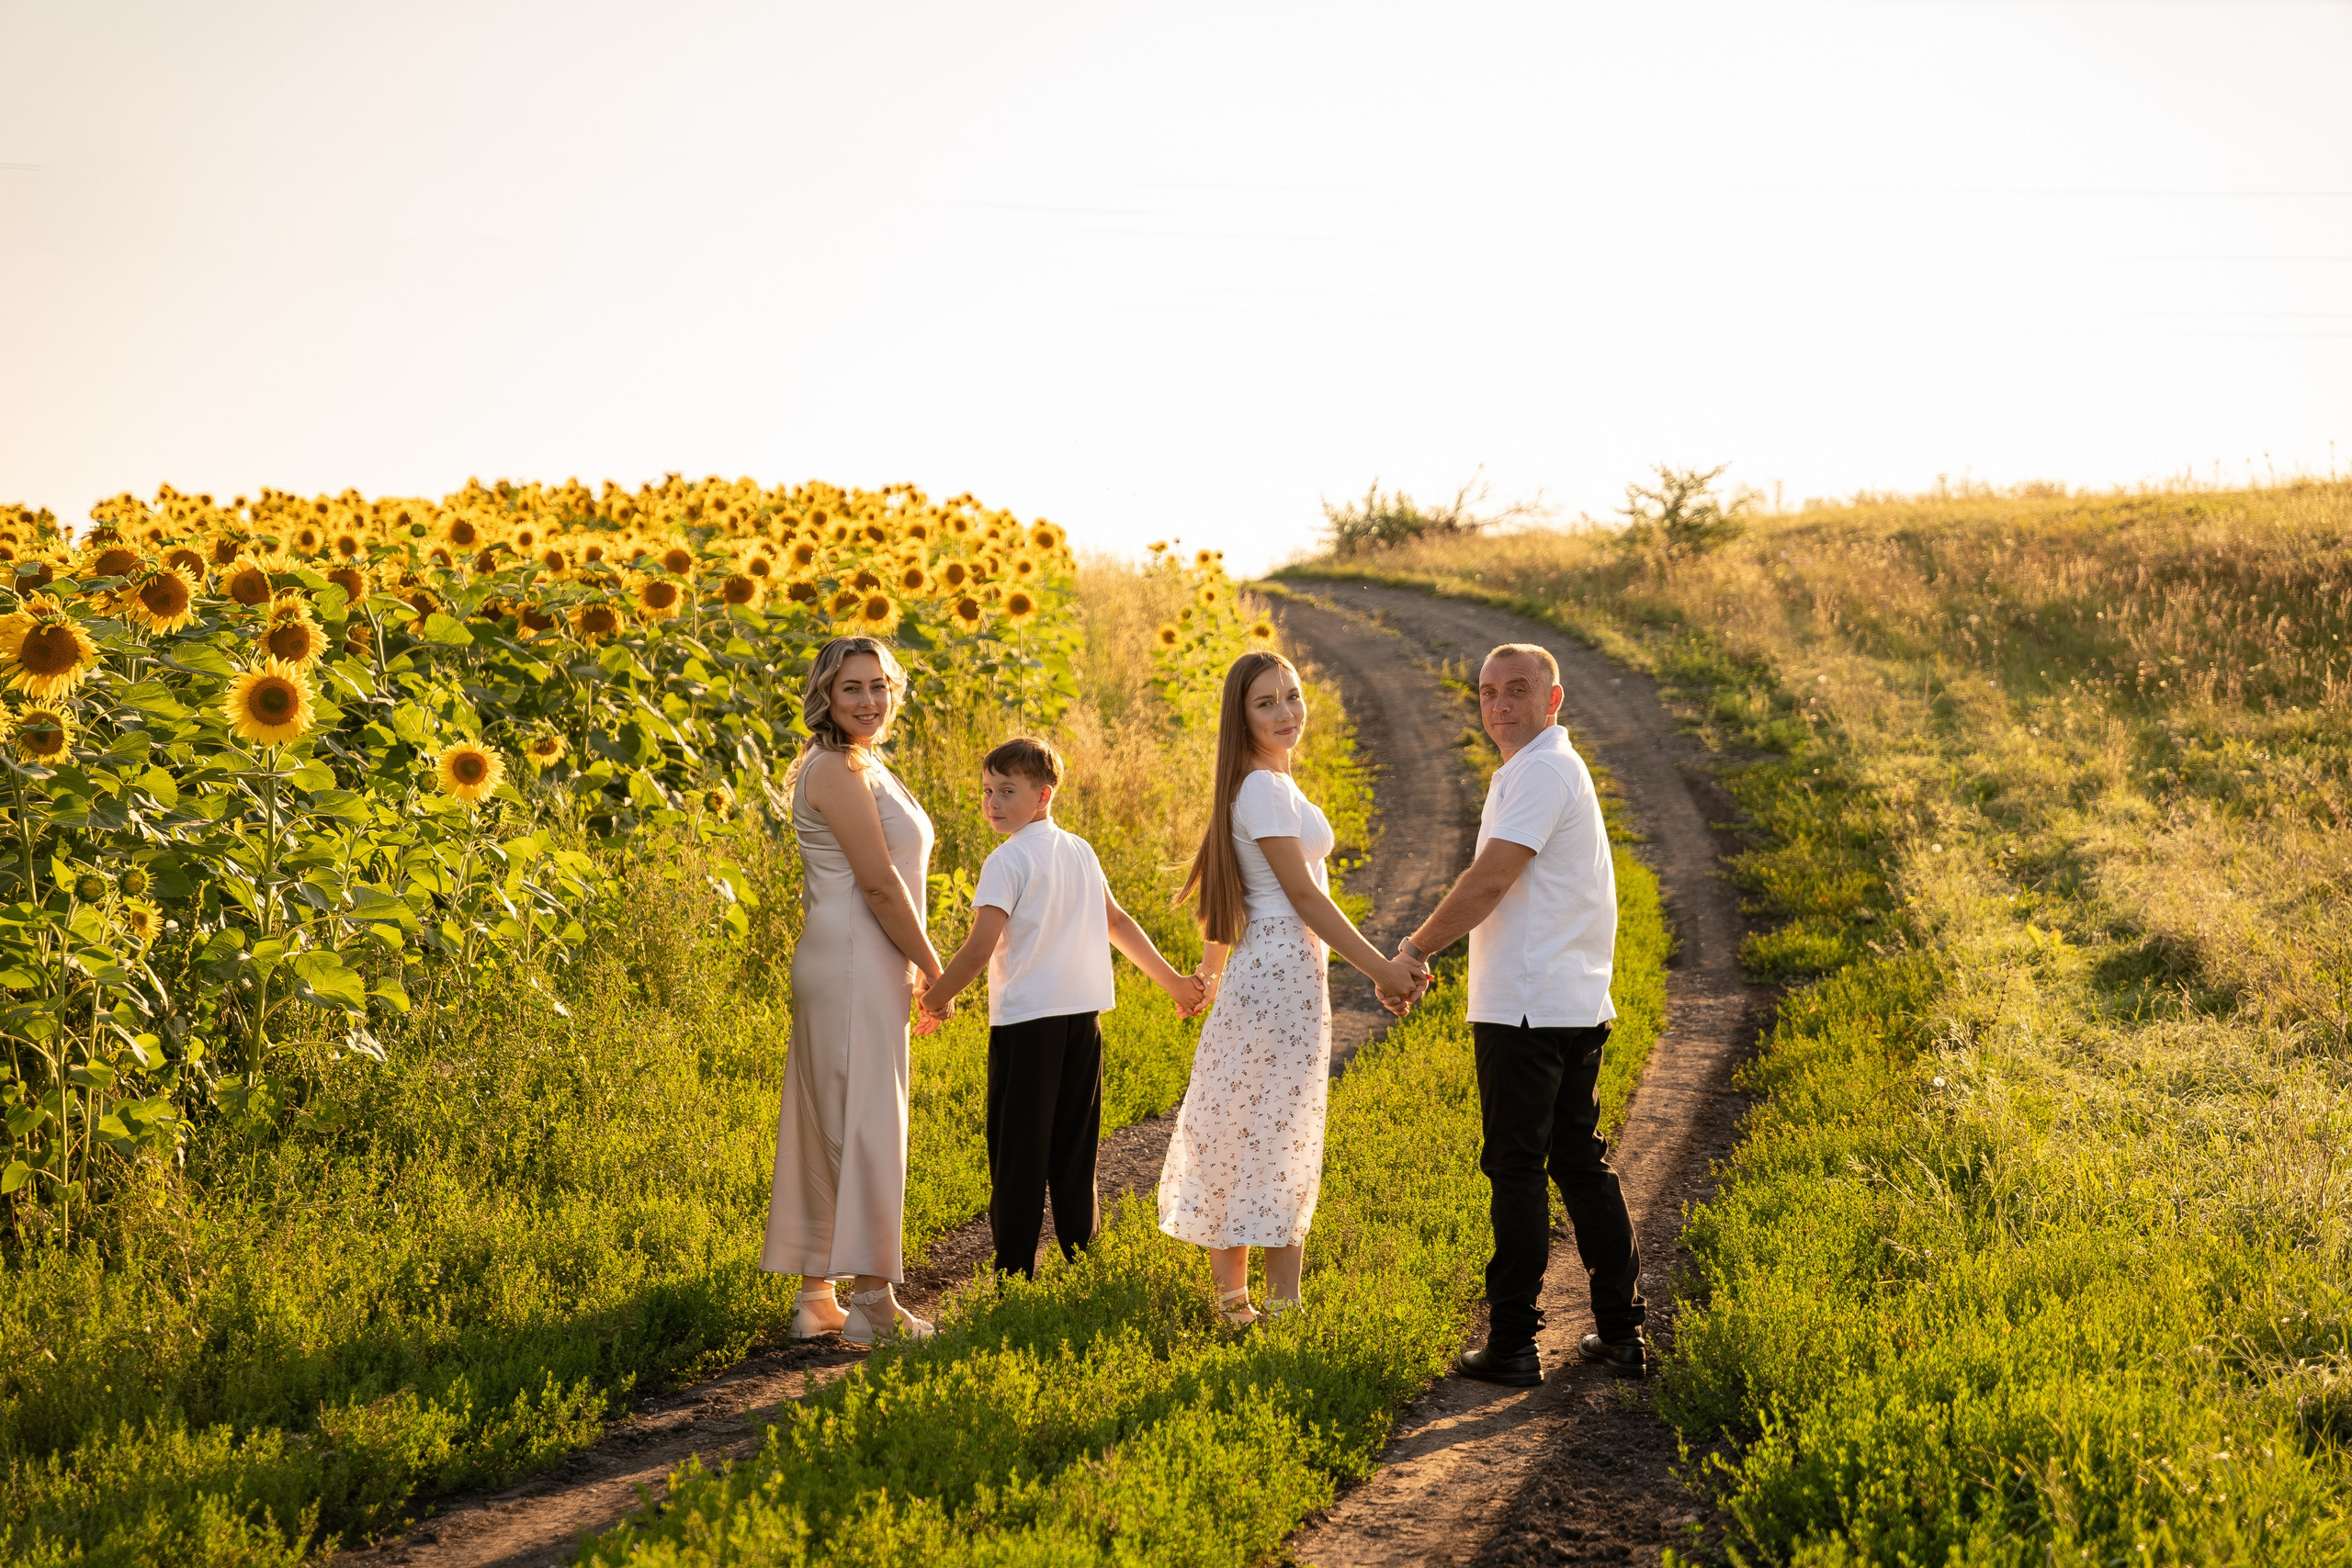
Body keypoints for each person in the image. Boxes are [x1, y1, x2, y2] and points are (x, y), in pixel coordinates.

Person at [1390, 641, 1644, 1384]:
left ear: (1553, 699)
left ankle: (1512, 1343)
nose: (1499, 703)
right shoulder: (1542, 767)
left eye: (1517, 689)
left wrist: (1415, 948)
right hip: (1568, 1001)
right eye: (1488, 690)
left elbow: (1490, 879)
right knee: (1577, 1160)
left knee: (1518, 1168)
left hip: (1529, 1009)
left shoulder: (1541, 770)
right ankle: (1622, 1333)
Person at [1157, 649, 1423, 1327]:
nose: (1286, 712)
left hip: (1274, 970)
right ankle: (1280, 1303)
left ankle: (1237, 1301)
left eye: (1293, 696)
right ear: (1241, 716)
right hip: (1280, 972)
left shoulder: (1264, 783)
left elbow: (1234, 893)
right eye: (1266, 702)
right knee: (1277, 1127)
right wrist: (1380, 969)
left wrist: (1208, 974)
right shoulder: (1262, 789)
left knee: (1251, 1120)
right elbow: (1303, 896)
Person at [919, 737, 1204, 1278]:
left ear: (1043, 795)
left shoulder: (1006, 861)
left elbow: (979, 947)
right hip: (1081, 1024)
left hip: (1027, 1028)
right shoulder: (1079, 849)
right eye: (987, 791)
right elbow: (1116, 922)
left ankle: (1014, 1275)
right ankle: (1082, 1262)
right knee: (1075, 1148)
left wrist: (936, 997)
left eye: (1007, 791)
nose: (992, 803)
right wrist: (1173, 983)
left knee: (1019, 1155)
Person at [761, 635, 943, 1348]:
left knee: (835, 1118)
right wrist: (934, 966)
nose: (869, 700)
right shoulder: (835, 768)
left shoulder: (863, 762)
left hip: (858, 956)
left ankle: (817, 1298)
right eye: (852, 688)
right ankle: (873, 1303)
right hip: (852, 959)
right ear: (825, 696)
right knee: (866, 1123)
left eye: (878, 686)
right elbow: (879, 884)